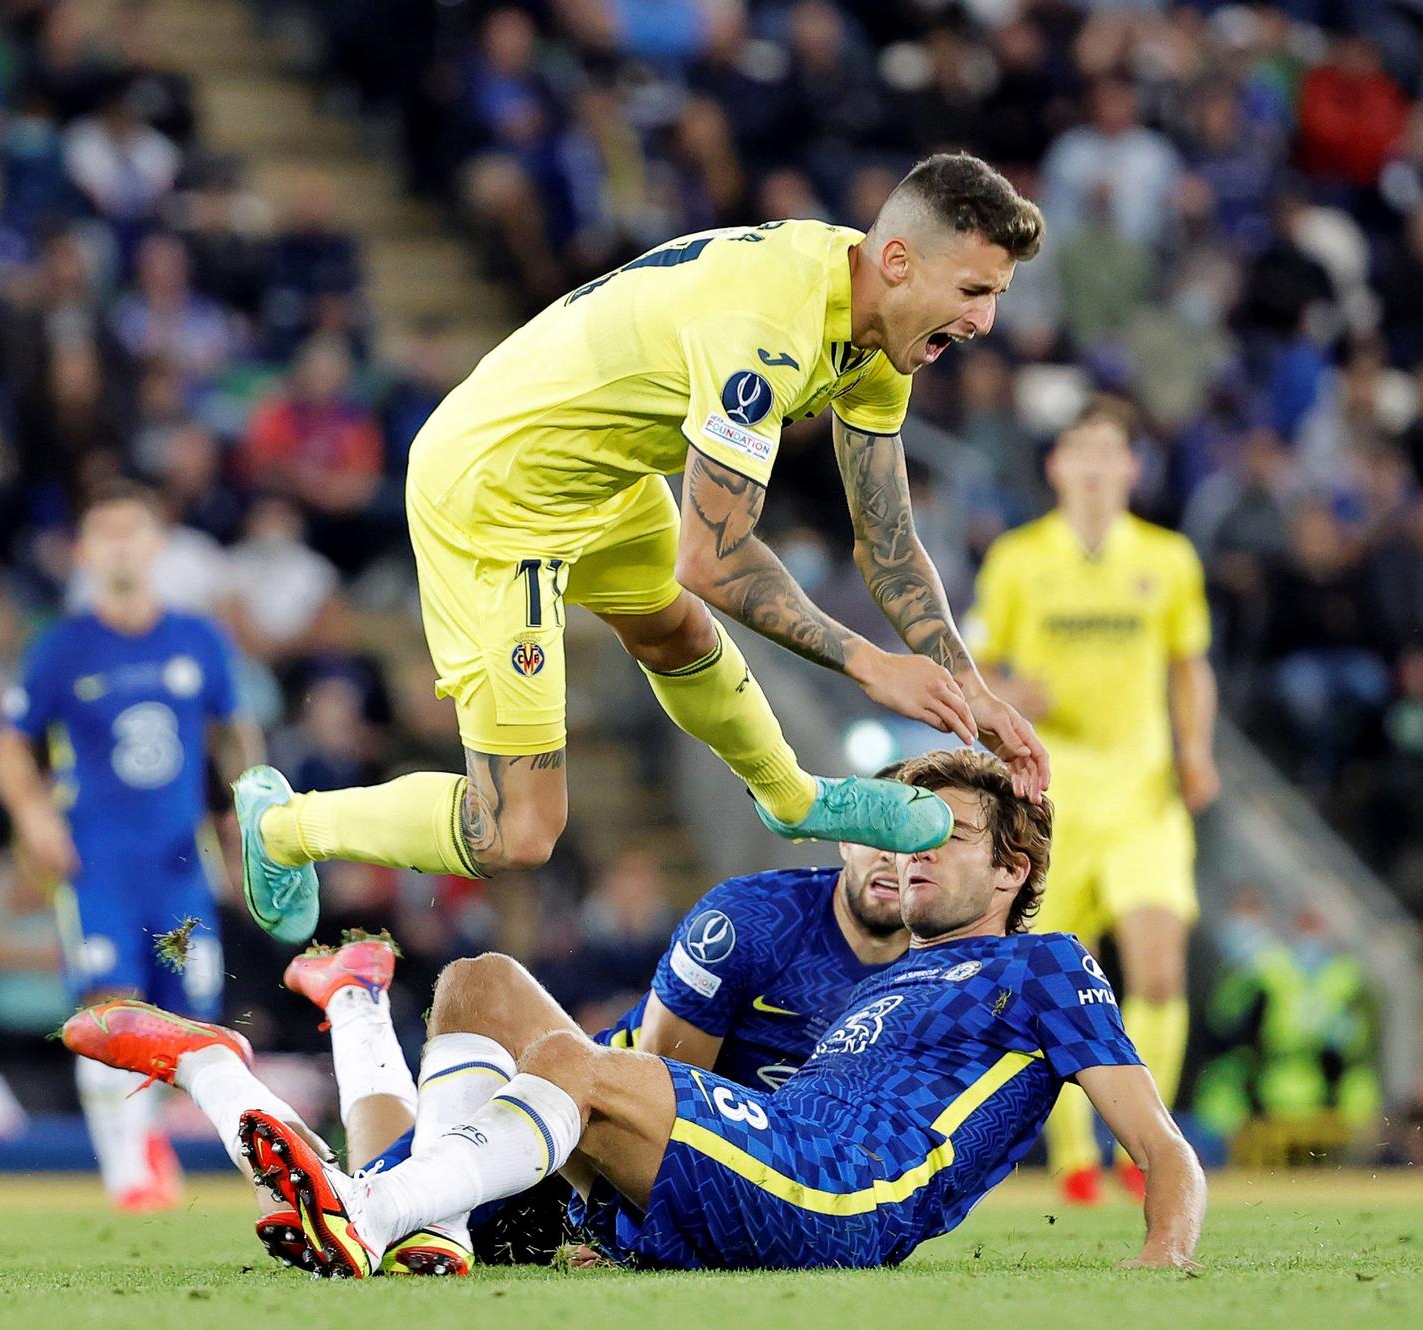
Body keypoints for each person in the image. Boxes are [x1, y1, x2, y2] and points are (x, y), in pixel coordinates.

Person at [232, 152, 1051, 946]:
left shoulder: (880, 326)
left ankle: (793, 799)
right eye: (974, 291)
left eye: (996, 296)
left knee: (676, 632)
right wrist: (871, 664)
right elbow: (713, 559)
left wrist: (971, 691)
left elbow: (890, 543)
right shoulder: (767, 330)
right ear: (900, 260)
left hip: (603, 472)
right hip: (499, 496)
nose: (984, 321)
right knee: (518, 831)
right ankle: (284, 826)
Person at [71, 749, 1204, 1277]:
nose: (907, 852)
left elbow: (1161, 1149)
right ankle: (258, 1079)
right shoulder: (836, 954)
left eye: (942, 836)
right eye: (897, 826)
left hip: (833, 1188)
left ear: (1011, 871)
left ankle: (366, 1202)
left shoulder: (1044, 964)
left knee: (566, 1073)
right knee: (486, 994)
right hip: (729, 1162)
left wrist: (1160, 1262)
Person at [265, 815, 910, 1274]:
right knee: (380, 1199)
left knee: (404, 1216)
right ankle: (348, 1010)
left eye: (911, 844)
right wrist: (616, 1225)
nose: (890, 856)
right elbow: (665, 1086)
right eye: (875, 835)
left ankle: (352, 995)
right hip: (579, 1139)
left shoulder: (947, 980)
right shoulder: (756, 919)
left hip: (708, 1183)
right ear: (842, 836)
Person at [0, 482, 261, 1212]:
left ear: (157, 543)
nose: (118, 545)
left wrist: (251, 808)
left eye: (131, 530)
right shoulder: (62, 646)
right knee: (110, 1008)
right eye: (102, 532)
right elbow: (9, 748)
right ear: (83, 550)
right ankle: (128, 1176)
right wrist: (34, 816)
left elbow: (236, 735)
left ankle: (150, 1141)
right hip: (97, 863)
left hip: (179, 864)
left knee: (190, 1025)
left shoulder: (198, 640)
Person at [968, 407, 1219, 1205]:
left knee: (1157, 967)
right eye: (1083, 452)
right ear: (1057, 466)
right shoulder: (1017, 560)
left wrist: (1195, 750)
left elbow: (1189, 665)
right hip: (1053, 795)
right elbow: (973, 664)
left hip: (1143, 796)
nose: (1098, 467)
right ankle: (1075, 1155)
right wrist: (1006, 693)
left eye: (1113, 453)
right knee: (1062, 981)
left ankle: (1144, 1143)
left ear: (1132, 469)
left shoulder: (1167, 559)